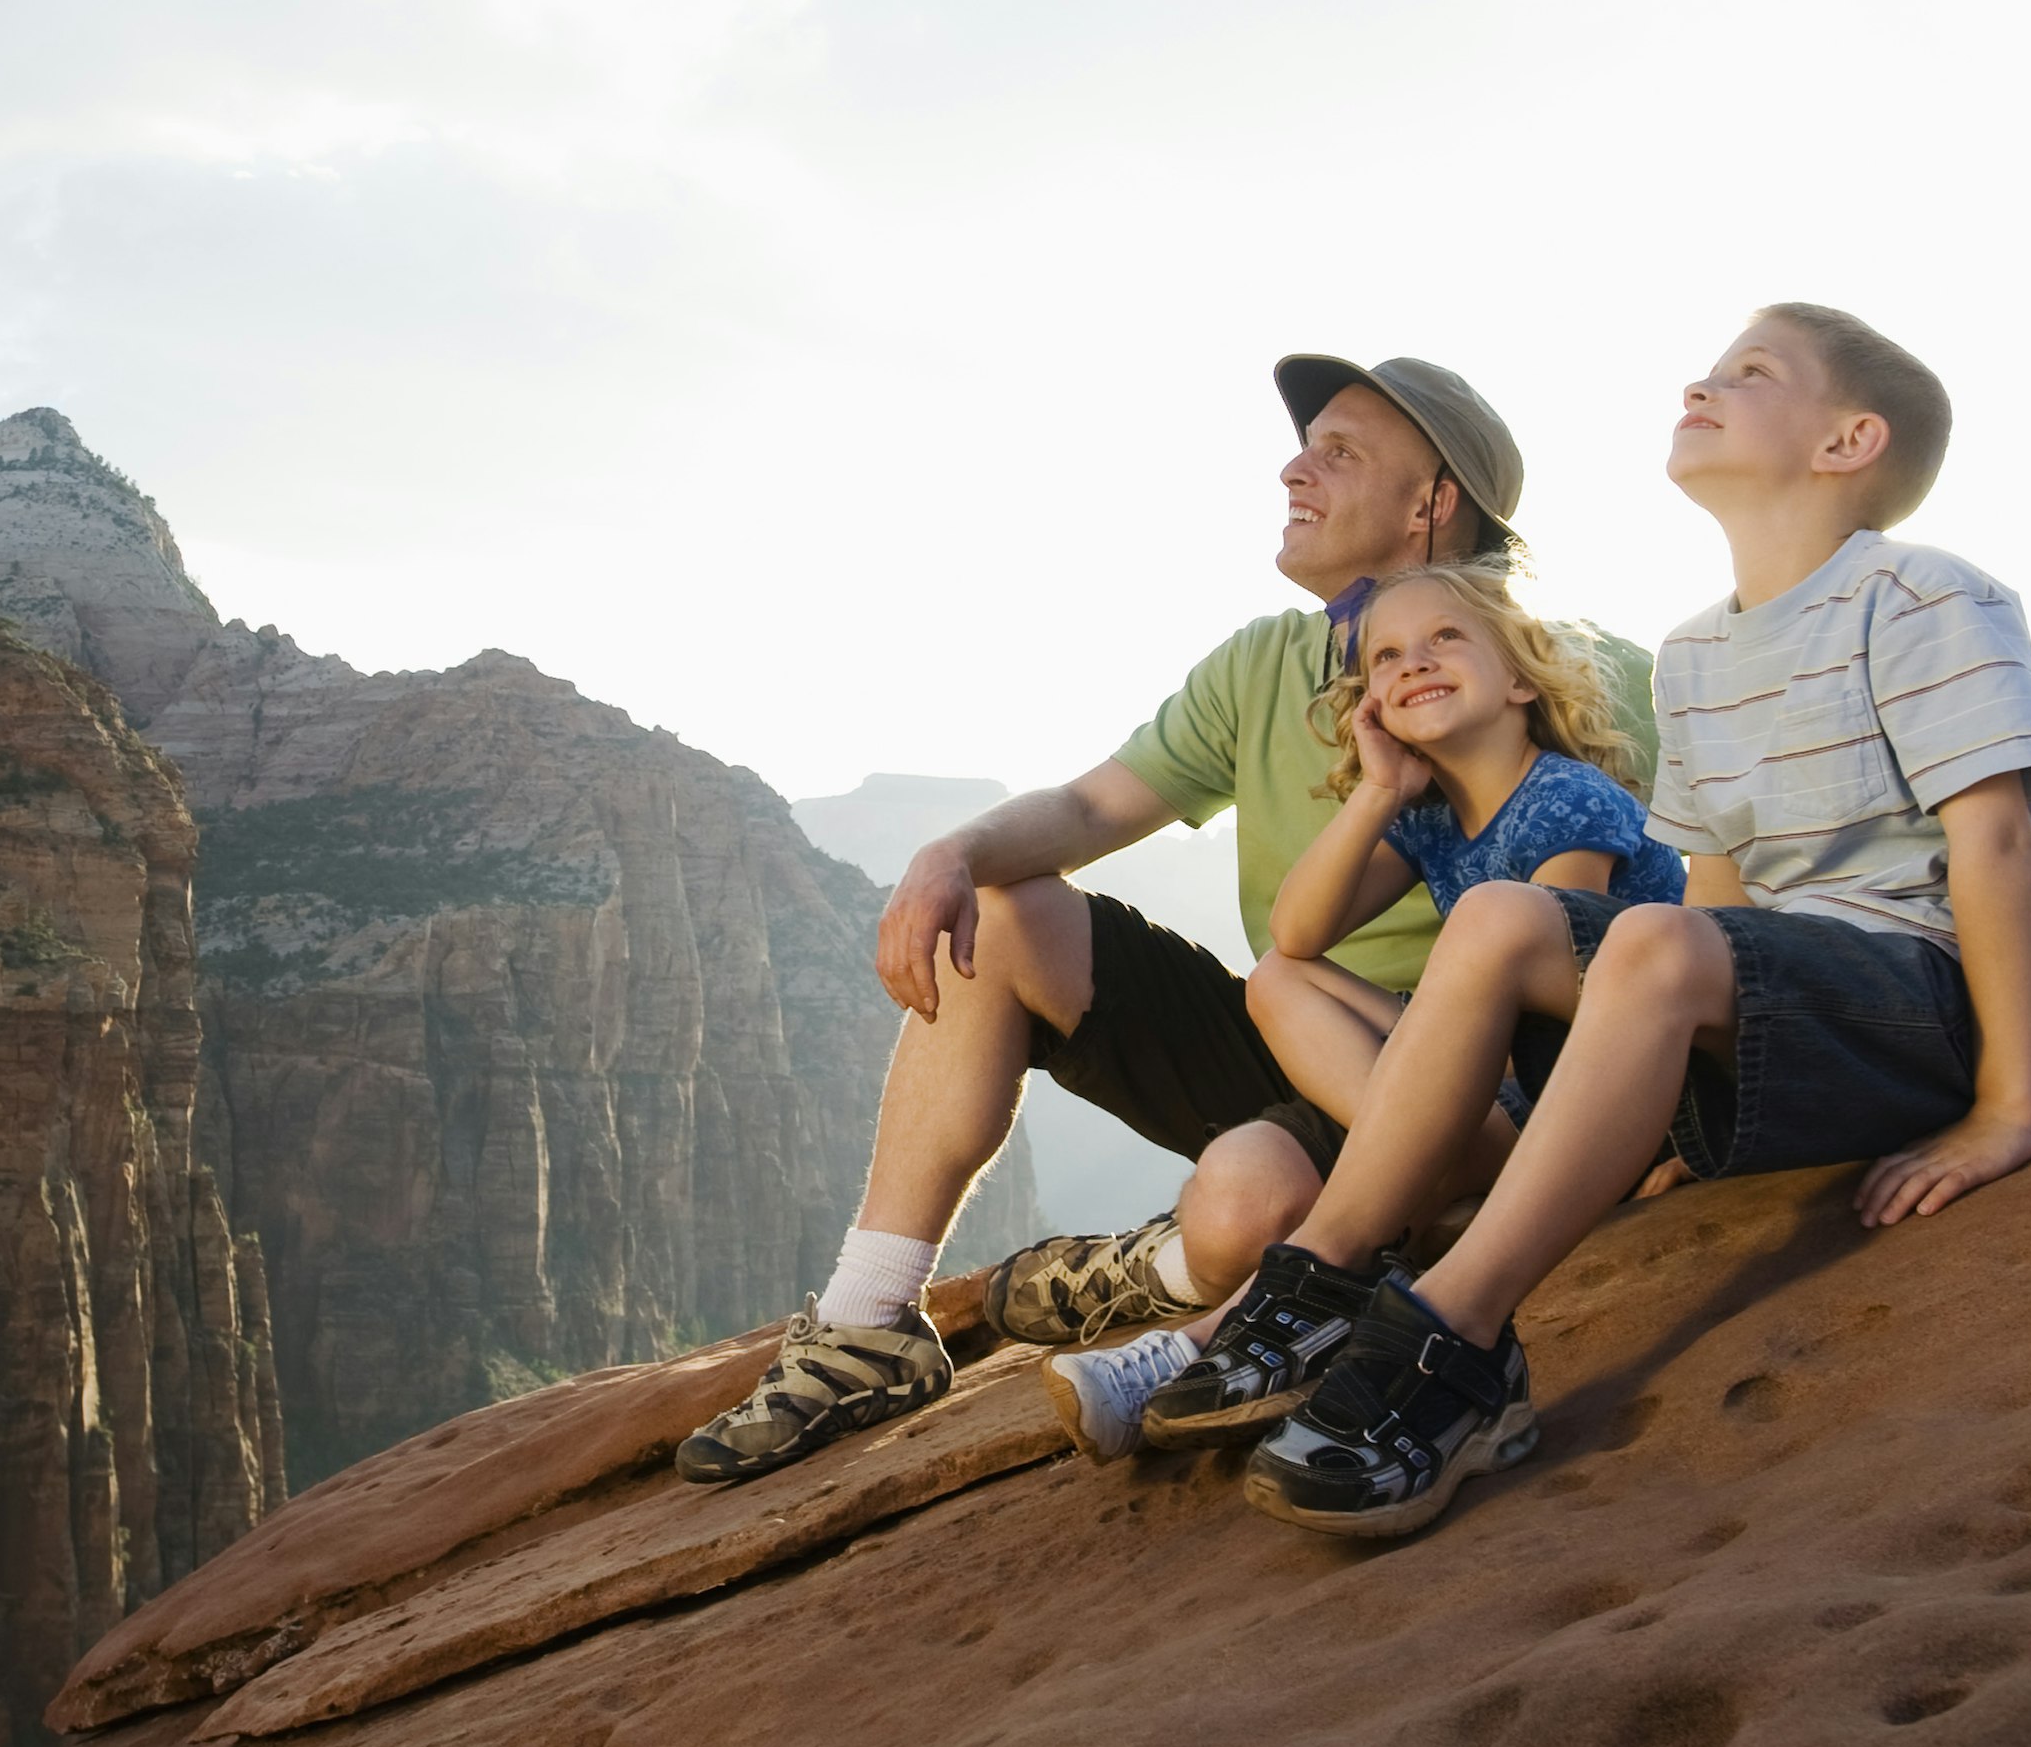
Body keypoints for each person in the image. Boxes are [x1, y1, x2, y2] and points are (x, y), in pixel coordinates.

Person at [1185, 305, 2031, 1539]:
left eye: (1752, 372)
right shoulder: (1694, 657)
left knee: (1643, 939)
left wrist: (2009, 1106)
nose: (1704, 381)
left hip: (1938, 998)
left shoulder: (1923, 595)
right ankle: (1325, 1269)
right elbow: (1719, 900)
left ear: (1848, 441)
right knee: (1509, 917)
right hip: (1800, 1018)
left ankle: (1454, 1343)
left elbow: (1991, 846)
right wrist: (1668, 1081)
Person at [677, 353, 1658, 1487]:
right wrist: (951, 853)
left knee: (1249, 1200)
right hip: (1300, 1036)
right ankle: (868, 1322)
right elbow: (1096, 807)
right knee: (1001, 914)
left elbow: (1700, 884)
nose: (1295, 468)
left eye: (1341, 452)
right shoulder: (1262, 663)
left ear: (1432, 502)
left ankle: (1181, 1266)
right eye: (1307, 445)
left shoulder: (1579, 672)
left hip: (1472, 1069)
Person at [1041, 559, 1688, 1459]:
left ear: (1518, 679)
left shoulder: (1568, 800)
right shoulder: (1430, 820)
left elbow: (1573, 1004)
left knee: (1389, 1134)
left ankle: (1203, 1341)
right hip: (1488, 1093)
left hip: (1580, 1092)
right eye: (1386, 657)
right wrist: (1381, 791)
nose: (1413, 662)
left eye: (1447, 638)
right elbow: (1296, 934)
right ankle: (1393, 1204)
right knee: (1277, 979)